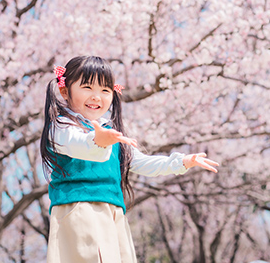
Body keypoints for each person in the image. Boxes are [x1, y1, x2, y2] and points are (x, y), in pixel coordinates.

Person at [40, 55, 219, 263]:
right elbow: (80, 146)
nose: (97, 97)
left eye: (105, 90)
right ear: (64, 91)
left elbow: (142, 162)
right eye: (87, 87)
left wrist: (181, 162)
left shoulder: (110, 132)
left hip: (113, 211)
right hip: (79, 208)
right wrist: (99, 140)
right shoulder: (61, 127)